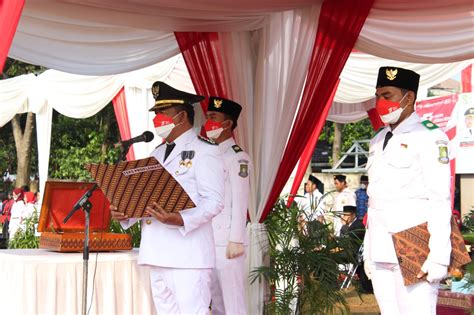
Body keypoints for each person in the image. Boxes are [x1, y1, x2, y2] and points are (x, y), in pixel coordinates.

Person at [111, 82, 225, 314]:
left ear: (182, 115)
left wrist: (181, 219)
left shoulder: (205, 151)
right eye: (156, 113)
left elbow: (214, 201)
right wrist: (125, 213)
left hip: (188, 256)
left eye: (163, 112)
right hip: (157, 253)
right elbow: (146, 199)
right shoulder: (156, 153)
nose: (157, 118)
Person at [363, 67, 451, 314]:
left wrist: (439, 256)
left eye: (387, 95)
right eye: (378, 95)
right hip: (380, 247)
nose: (380, 102)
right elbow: (375, 200)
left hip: (414, 245)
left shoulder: (430, 136)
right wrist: (369, 250)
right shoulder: (378, 139)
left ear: (409, 98)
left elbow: (439, 198)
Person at [204, 96, 251, 315]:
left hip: (227, 243)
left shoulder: (238, 157)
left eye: (213, 117)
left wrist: (236, 240)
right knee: (216, 302)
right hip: (208, 238)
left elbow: (241, 201)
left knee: (233, 303)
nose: (207, 123)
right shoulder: (208, 154)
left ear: (227, 123)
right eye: (207, 117)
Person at [340, 205, 373, 293]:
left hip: (353, 253)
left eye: (346, 215)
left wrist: (345, 227)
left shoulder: (357, 226)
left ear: (353, 215)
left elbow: (348, 242)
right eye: (343, 215)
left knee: (330, 256)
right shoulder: (347, 226)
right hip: (347, 251)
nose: (344, 217)